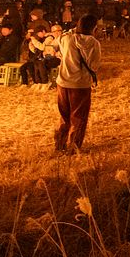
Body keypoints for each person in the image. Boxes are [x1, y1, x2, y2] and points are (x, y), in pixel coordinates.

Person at [54, 14, 101, 154]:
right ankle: (74, 147)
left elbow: (61, 47)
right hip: (80, 85)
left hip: (62, 82)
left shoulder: (67, 38)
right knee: (79, 117)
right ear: (94, 28)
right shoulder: (94, 43)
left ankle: (60, 144)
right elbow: (94, 66)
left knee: (64, 115)